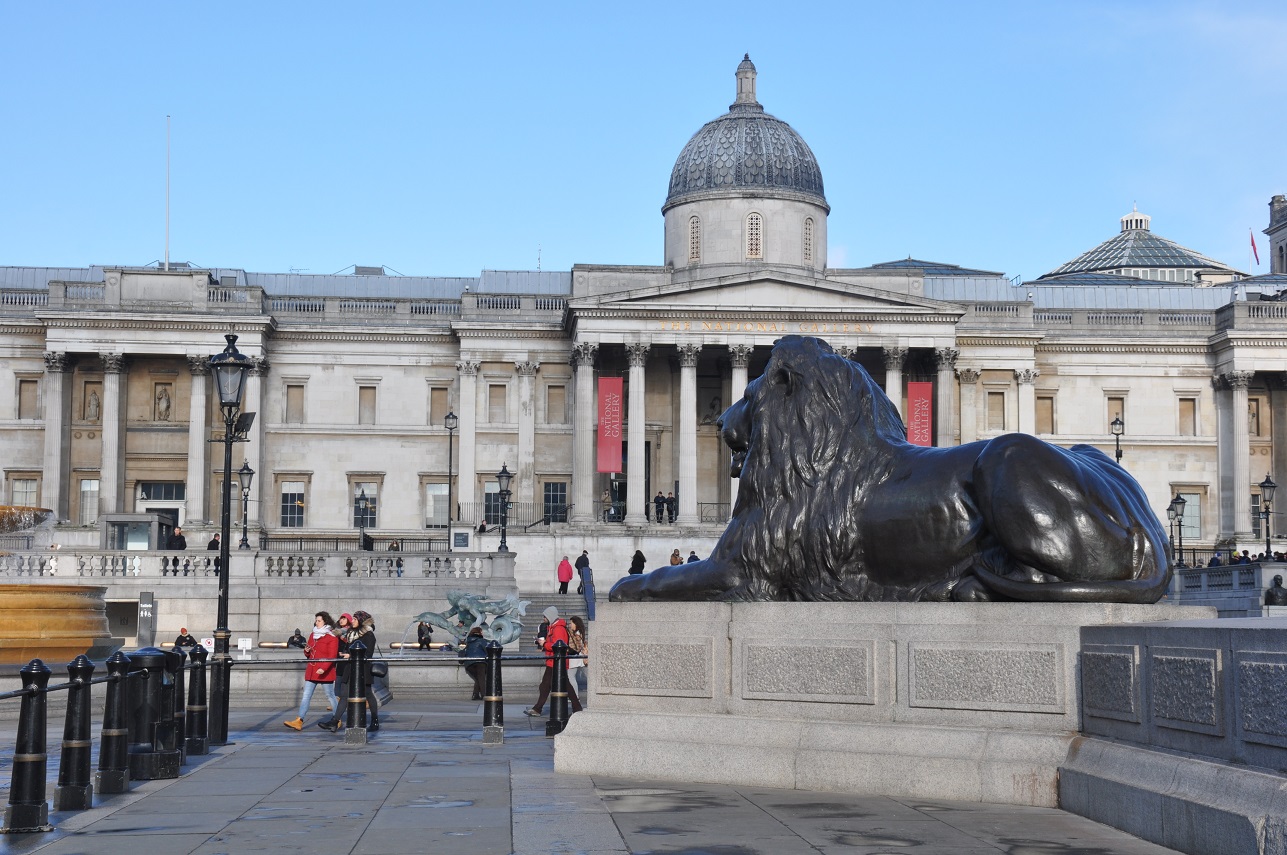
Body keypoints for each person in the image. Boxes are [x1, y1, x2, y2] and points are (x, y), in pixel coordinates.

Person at [318, 610, 380, 732]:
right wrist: (345, 653)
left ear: (361, 621)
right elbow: (348, 648)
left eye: (355, 619)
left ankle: (374, 720)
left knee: (368, 694)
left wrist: (350, 655)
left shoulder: (369, 635)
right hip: (349, 668)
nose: (353, 621)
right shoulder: (351, 633)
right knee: (344, 695)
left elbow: (368, 654)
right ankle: (334, 721)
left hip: (363, 670)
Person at [284, 611, 339, 730]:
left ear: (325, 622)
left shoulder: (332, 637)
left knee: (330, 695)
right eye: (316, 620)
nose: (316, 622)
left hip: (324, 671)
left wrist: (323, 668)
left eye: (319, 620)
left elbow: (332, 656)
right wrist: (307, 650)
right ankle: (299, 720)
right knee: (306, 696)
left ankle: (337, 718)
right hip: (312, 670)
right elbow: (307, 653)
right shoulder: (313, 635)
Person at [524, 607, 582, 717]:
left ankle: (538, 709)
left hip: (556, 662)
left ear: (550, 616)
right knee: (549, 685)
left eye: (545, 616)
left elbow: (558, 645)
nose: (543, 618)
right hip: (553, 661)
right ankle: (576, 707)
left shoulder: (558, 628)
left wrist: (544, 644)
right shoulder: (554, 628)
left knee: (549, 686)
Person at [459, 626, 489, 700]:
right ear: (479, 633)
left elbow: (461, 650)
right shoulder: (482, 641)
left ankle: (475, 695)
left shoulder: (467, 641)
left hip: (469, 663)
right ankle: (484, 695)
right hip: (480, 661)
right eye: (481, 632)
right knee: (481, 678)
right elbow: (488, 651)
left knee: (478, 679)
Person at [566, 615, 589, 695]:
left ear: (576, 624)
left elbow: (578, 647)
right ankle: (574, 696)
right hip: (578, 657)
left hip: (575, 658)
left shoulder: (577, 633)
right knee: (572, 676)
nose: (570, 625)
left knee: (571, 676)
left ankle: (575, 696)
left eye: (571, 623)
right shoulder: (579, 632)